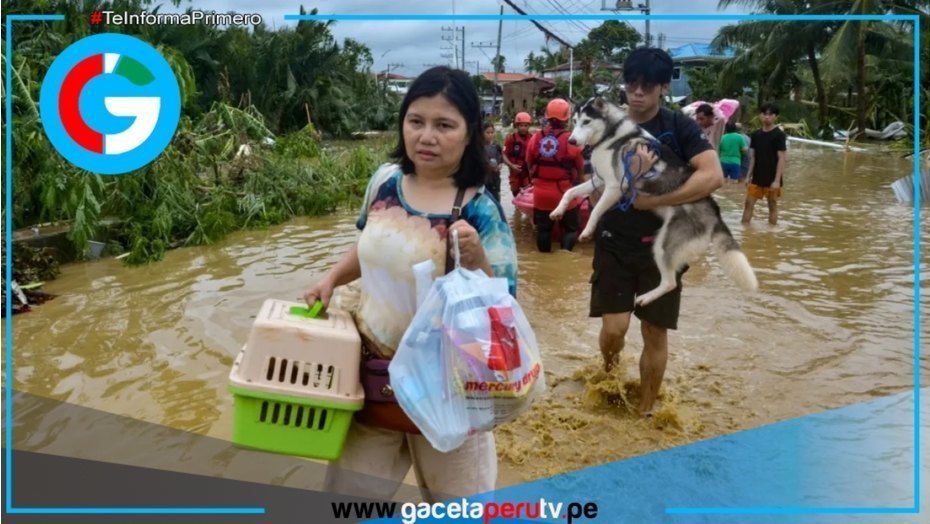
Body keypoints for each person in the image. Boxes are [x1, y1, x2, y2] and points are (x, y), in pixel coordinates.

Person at [303, 66, 518, 502]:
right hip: (372, 377)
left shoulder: (479, 210)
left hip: (450, 387)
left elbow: (504, 307)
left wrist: (477, 260)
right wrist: (330, 278)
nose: (427, 136)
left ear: (469, 132)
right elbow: (369, 243)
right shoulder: (384, 182)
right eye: (416, 121)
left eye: (444, 125)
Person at [590, 48, 724, 415]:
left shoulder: (679, 127)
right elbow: (593, 178)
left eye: (647, 87)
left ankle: (646, 412)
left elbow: (713, 176)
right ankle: (609, 370)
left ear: (664, 87)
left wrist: (651, 201)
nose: (637, 93)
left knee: (654, 330)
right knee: (615, 330)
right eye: (631, 85)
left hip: (664, 244)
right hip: (614, 240)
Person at [525, 98, 585, 252]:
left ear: (547, 116)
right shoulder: (570, 139)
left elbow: (529, 161)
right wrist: (578, 182)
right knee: (571, 229)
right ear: (567, 117)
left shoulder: (536, 137)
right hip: (563, 192)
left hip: (540, 193)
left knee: (544, 230)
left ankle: (544, 260)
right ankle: (565, 257)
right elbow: (580, 166)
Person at [742, 102, 787, 225]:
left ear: (775, 117)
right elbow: (753, 157)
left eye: (770, 114)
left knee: (772, 205)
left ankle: (771, 234)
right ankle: (745, 231)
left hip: (772, 176)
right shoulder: (756, 135)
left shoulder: (779, 135)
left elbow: (781, 158)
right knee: (748, 203)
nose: (767, 117)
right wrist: (748, 175)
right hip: (757, 176)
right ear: (760, 115)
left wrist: (777, 180)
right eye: (764, 114)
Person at [503, 111, 533, 197]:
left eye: (525, 125)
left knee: (528, 195)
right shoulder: (510, 139)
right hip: (514, 173)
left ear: (529, 126)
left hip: (527, 173)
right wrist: (512, 166)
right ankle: (517, 210)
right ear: (517, 126)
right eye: (521, 125)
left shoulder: (532, 139)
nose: (523, 128)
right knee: (515, 195)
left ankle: (521, 210)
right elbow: (504, 155)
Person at [482, 122, 503, 202]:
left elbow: (501, 159)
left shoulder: (496, 146)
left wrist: (500, 165)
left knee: (496, 201)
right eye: (487, 132)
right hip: (484, 179)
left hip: (495, 179)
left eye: (492, 132)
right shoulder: (479, 147)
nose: (490, 135)